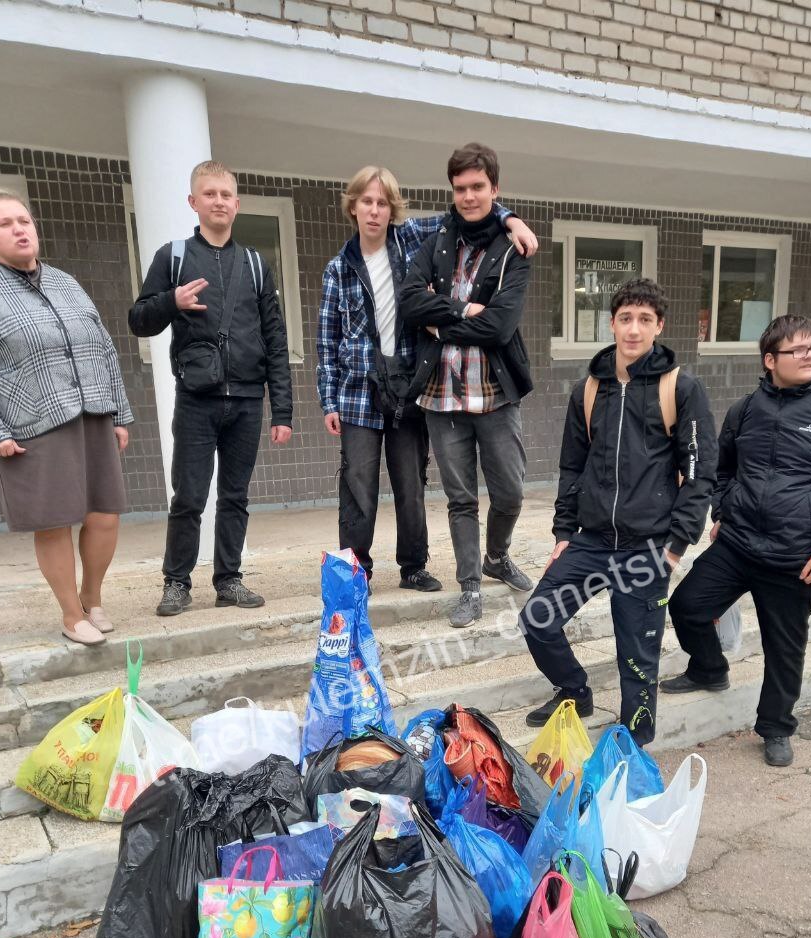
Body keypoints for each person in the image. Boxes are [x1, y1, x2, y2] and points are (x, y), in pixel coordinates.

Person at [661, 314, 811, 767]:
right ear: (770, 359)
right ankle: (709, 668)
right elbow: (722, 468)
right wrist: (722, 510)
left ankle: (775, 727)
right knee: (686, 606)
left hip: (795, 557)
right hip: (738, 544)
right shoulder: (745, 409)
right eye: (798, 350)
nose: (810, 355)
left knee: (784, 648)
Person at [317, 166, 537, 594]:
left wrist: (512, 218)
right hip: (358, 392)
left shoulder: (415, 238)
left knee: (410, 480)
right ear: (353, 207)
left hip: (408, 384)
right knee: (357, 482)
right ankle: (356, 572)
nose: (375, 211)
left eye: (383, 203)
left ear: (392, 209)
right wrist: (329, 401)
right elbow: (327, 342)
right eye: (367, 202)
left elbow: (470, 209)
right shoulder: (337, 269)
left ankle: (413, 566)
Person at [519, 278, 717, 743]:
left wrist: (675, 547)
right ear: (612, 323)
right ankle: (574, 691)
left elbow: (699, 472)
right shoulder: (588, 390)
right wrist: (564, 531)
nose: (633, 329)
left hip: (646, 546)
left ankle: (633, 749)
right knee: (537, 619)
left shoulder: (681, 388)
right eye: (625, 318)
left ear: (659, 326)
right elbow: (572, 466)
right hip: (589, 542)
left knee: (636, 657)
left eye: (645, 320)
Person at [0, 184, 132, 646]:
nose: (19, 230)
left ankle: (92, 597)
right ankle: (71, 615)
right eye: (6, 224)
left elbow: (104, 346)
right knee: (54, 521)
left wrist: (120, 413)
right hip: (33, 421)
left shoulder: (63, 281)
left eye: (24, 221)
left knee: (104, 515)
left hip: (92, 410)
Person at [129, 160, 292, 617]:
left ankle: (229, 579)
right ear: (193, 202)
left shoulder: (256, 265)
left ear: (237, 205)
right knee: (189, 496)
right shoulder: (174, 256)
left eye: (226, 195)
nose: (219, 201)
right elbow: (138, 321)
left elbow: (276, 340)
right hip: (196, 399)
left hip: (245, 400)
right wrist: (171, 301)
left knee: (235, 495)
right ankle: (177, 582)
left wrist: (282, 411)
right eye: (210, 194)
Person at [399, 143, 535, 629]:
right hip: (442, 394)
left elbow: (500, 328)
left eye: (478, 187)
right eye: (461, 189)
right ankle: (471, 586)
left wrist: (440, 322)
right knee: (461, 499)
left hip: (495, 394)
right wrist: (462, 310)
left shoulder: (513, 247)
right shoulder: (434, 240)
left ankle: (496, 556)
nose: (469, 196)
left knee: (511, 493)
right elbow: (411, 301)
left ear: (494, 191)